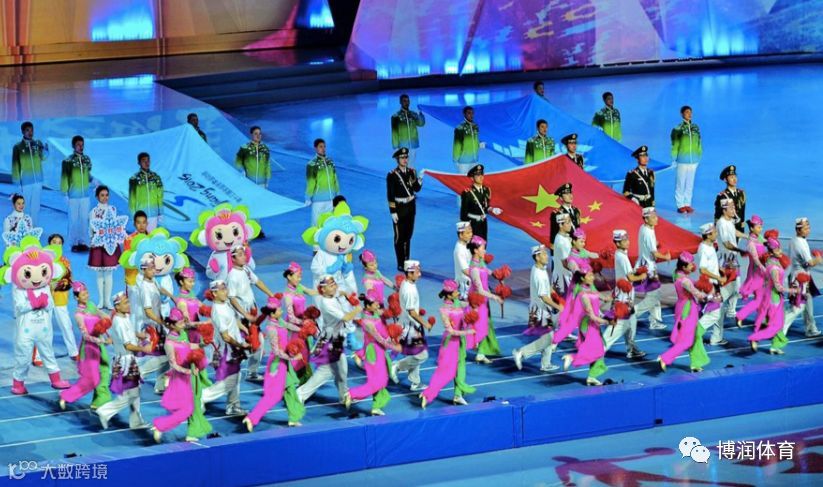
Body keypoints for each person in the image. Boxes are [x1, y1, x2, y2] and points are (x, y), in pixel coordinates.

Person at [244, 295, 306, 430]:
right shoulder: (271, 329)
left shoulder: (278, 321)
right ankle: (251, 418)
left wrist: (303, 329)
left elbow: (288, 325)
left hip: (284, 362)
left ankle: (293, 418)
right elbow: (276, 351)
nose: (282, 311)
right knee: (274, 395)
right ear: (272, 313)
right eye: (279, 309)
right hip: (277, 365)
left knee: (290, 389)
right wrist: (293, 358)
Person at [151, 308, 212, 443]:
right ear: (172, 325)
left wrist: (204, 343)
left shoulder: (182, 334)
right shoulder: (169, 343)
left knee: (195, 405)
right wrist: (187, 372)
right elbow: (173, 365)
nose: (184, 324)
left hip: (192, 375)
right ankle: (160, 426)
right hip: (180, 379)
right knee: (187, 409)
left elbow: (190, 346)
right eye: (181, 323)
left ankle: (191, 433)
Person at [297, 275, 357, 406]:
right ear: (323, 289)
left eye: (334, 284)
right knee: (327, 371)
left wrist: (345, 294)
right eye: (331, 286)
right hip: (331, 341)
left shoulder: (331, 295)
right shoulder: (326, 303)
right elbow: (346, 317)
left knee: (341, 370)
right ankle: (300, 394)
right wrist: (358, 308)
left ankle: (344, 396)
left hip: (336, 339)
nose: (335, 287)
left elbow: (340, 292)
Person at [96, 292, 150, 430]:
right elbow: (128, 346)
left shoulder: (124, 316)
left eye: (128, 302)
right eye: (125, 303)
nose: (129, 304)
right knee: (132, 394)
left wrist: (140, 335)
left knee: (134, 392)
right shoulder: (119, 322)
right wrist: (144, 349)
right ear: (117, 306)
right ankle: (105, 411)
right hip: (126, 363)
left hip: (128, 360)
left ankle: (135, 421)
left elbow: (128, 332)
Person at [58, 282, 113, 412]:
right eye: (83, 294)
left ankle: (100, 399)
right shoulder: (78, 315)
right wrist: (102, 341)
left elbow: (104, 318)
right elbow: (86, 336)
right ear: (76, 297)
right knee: (91, 379)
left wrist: (109, 329)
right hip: (89, 349)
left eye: (87, 293)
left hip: (99, 345)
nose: (86, 296)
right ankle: (66, 396)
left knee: (104, 370)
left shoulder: (91, 305)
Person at [420, 280, 476, 407]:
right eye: (455, 292)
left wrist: (474, 303)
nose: (458, 293)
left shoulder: (458, 303)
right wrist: (468, 332)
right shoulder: (444, 310)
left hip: (460, 341)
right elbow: (450, 331)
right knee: (447, 372)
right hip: (450, 342)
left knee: (461, 368)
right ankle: (427, 394)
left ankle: (458, 395)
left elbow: (470, 305)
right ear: (449, 295)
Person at [343, 290, 400, 415]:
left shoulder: (374, 312)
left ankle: (376, 406)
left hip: (380, 350)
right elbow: (379, 339)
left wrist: (394, 309)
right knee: (378, 382)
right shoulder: (367, 322)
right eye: (375, 304)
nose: (378, 305)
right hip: (374, 352)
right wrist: (394, 345)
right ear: (368, 306)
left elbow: (386, 314)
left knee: (382, 379)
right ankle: (352, 394)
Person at [657, 252, 713, 372]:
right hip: (688, 311)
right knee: (687, 341)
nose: (693, 266)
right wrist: (711, 296)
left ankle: (696, 363)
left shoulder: (676, 274)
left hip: (681, 307)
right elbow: (698, 295)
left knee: (696, 336)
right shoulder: (685, 281)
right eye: (690, 265)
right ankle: (665, 358)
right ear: (683, 267)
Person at [226, 244, 275, 381]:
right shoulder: (232, 276)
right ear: (233, 258)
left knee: (258, 341)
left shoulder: (246, 270)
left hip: (251, 313)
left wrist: (271, 295)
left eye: (244, 254)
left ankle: (252, 373)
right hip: (241, 317)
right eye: (240, 255)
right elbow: (232, 298)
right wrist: (245, 314)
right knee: (241, 345)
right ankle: (229, 370)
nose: (244, 257)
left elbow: (258, 282)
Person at [513, 245, 564, 372]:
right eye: (544, 254)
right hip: (540, 311)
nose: (547, 256)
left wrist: (555, 294)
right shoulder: (539, 275)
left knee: (548, 337)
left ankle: (546, 364)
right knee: (548, 339)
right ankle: (522, 352)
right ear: (537, 257)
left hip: (542, 310)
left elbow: (547, 288)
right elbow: (544, 297)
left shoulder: (539, 268)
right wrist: (559, 307)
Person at [561, 263, 613, 386]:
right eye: (589, 275)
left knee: (597, 349)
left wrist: (616, 293)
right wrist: (607, 322)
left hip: (590, 323)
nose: (592, 277)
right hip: (588, 323)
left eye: (592, 275)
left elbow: (603, 297)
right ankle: (572, 357)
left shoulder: (590, 288)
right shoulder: (582, 294)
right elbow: (592, 316)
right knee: (597, 350)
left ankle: (591, 377)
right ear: (582, 278)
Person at [204, 280, 250, 416]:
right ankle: (201, 398)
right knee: (230, 381)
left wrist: (243, 328)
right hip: (226, 350)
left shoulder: (226, 303)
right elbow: (226, 337)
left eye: (226, 288)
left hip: (233, 349)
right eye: (222, 290)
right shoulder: (218, 311)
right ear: (214, 293)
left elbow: (233, 319)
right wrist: (241, 345)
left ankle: (233, 405)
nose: (226, 291)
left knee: (237, 375)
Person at [391, 260, 433, 390]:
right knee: (422, 355)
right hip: (410, 328)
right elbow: (412, 312)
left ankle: (415, 381)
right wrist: (425, 323)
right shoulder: (409, 290)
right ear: (409, 273)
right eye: (417, 272)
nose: (419, 274)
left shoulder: (406, 283)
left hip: (410, 325)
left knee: (416, 353)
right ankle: (397, 366)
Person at [749, 239, 794, 354]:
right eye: (777, 249)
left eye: (780, 248)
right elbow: (778, 287)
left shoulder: (773, 262)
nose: (780, 251)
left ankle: (774, 346)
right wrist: (793, 290)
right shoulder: (773, 267)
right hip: (774, 298)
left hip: (774, 296)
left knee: (778, 324)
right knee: (776, 325)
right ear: (771, 252)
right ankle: (755, 338)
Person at [465, 238, 503, 363]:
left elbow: (486, 270)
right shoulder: (474, 269)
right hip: (478, 301)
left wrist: (497, 274)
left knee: (484, 325)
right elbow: (480, 290)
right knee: (479, 327)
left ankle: (481, 353)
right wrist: (495, 297)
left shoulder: (480, 262)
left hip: (483, 300)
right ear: (476, 250)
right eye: (483, 248)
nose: (485, 251)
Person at [609, 230, 646, 359]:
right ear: (617, 243)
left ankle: (631, 349)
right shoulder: (622, 257)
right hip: (623, 298)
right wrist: (642, 276)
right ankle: (597, 349)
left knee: (631, 323)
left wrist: (637, 272)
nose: (628, 242)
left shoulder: (621, 254)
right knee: (618, 328)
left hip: (625, 296)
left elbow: (628, 274)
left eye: (627, 239)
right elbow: (630, 278)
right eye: (624, 240)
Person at [386, 147, 423, 270]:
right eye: (402, 158)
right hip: (400, 207)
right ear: (397, 159)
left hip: (410, 206)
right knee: (399, 237)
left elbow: (416, 189)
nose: (405, 159)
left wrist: (420, 179)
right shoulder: (392, 175)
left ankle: (407, 259)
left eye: (406, 157)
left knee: (408, 235)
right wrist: (393, 211)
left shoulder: (412, 172)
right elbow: (390, 194)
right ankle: (401, 263)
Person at [785, 217, 822, 337]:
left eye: (809, 227)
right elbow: (810, 263)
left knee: (806, 303)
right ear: (798, 230)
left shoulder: (794, 240)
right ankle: (778, 325)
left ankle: (810, 328)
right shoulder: (800, 243)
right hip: (800, 280)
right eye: (805, 228)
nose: (808, 230)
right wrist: (818, 258)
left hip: (800, 277)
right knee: (797, 307)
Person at [88, 186, 122, 310]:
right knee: (99, 274)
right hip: (98, 244)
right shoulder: (93, 211)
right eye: (102, 195)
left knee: (109, 274)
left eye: (107, 195)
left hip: (110, 244)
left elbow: (116, 226)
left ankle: (107, 301)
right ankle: (101, 300)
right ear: (97, 196)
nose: (105, 197)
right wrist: (92, 239)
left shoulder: (113, 209)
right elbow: (91, 227)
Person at [635, 207, 668, 330]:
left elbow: (649, 244)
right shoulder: (648, 232)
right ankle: (632, 314)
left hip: (646, 265)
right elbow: (654, 253)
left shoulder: (645, 228)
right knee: (652, 296)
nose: (656, 219)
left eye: (656, 216)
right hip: (649, 268)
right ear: (646, 219)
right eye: (653, 217)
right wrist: (666, 257)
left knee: (654, 294)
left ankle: (654, 320)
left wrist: (656, 243)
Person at [695, 223, 728, 346]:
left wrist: (719, 269)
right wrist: (718, 277)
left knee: (712, 310)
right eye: (714, 232)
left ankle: (714, 337)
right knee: (714, 314)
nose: (717, 234)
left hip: (713, 284)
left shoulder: (710, 246)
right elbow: (703, 269)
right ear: (708, 235)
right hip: (709, 286)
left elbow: (710, 265)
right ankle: (693, 335)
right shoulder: (704, 249)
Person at [48, 234, 79, 361]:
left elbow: (70, 278)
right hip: (45, 298)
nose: (56, 244)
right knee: (44, 328)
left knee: (66, 325)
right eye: (54, 241)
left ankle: (73, 352)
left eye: (59, 242)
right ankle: (39, 355)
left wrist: (75, 289)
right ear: (49, 244)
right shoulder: (43, 259)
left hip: (60, 297)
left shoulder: (65, 261)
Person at [11, 121, 49, 225]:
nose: (30, 132)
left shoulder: (37, 143)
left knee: (36, 206)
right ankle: (26, 227)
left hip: (38, 180)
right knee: (25, 206)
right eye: (27, 130)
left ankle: (34, 227)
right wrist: (17, 183)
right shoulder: (18, 147)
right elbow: (15, 165)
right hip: (26, 181)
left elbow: (43, 157)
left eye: (32, 130)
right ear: (23, 132)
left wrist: (46, 151)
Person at [61, 135, 94, 252]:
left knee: (84, 219)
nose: (81, 147)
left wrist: (93, 180)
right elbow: (64, 178)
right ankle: (74, 243)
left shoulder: (86, 159)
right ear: (73, 146)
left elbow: (87, 175)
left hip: (85, 196)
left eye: (82, 144)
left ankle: (83, 241)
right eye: (78, 145)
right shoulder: (68, 161)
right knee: (74, 220)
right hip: (73, 196)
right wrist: (65, 193)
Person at [715, 198, 745, 323]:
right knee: (726, 287)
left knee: (736, 286)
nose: (734, 210)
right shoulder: (721, 223)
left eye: (734, 207)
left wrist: (747, 236)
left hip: (732, 258)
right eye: (731, 208)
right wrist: (740, 250)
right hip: (726, 259)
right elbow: (726, 244)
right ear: (724, 210)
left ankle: (731, 310)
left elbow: (734, 231)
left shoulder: (729, 221)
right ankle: (715, 307)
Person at [735, 215, 768, 327]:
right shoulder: (751, 243)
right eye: (759, 227)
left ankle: (763, 318)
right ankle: (741, 315)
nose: (761, 229)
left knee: (762, 297)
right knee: (759, 298)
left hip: (760, 272)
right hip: (756, 273)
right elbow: (756, 260)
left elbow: (766, 242)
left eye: (761, 227)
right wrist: (765, 270)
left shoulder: (758, 238)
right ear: (752, 228)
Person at [671, 105, 702, 213]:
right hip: (682, 160)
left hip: (694, 160)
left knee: (690, 183)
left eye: (690, 112)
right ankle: (680, 204)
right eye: (687, 112)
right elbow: (674, 144)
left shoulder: (695, 127)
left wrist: (699, 156)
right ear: (682, 114)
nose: (689, 114)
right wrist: (674, 158)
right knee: (680, 183)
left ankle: (687, 203)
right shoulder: (677, 128)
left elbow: (699, 142)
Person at [460, 164, 501, 242]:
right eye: (478, 175)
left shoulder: (487, 190)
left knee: (484, 244)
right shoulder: (468, 193)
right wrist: (464, 229)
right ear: (472, 178)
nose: (481, 177)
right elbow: (463, 213)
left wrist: (492, 209)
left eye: (482, 174)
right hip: (472, 223)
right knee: (473, 245)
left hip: (483, 222)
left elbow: (484, 206)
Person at [305, 138, 340, 227]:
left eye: (324, 146)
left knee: (329, 223)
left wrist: (338, 193)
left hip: (331, 199)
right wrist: (308, 197)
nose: (323, 149)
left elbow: (335, 178)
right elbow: (311, 182)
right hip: (318, 201)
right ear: (315, 148)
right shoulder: (311, 164)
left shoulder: (330, 162)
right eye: (320, 147)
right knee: (316, 224)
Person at [124, 211, 149, 329]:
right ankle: (134, 334)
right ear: (134, 224)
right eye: (139, 223)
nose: (141, 225)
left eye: (144, 222)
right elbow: (127, 261)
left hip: (148, 281)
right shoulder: (129, 240)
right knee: (134, 310)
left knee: (147, 308)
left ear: (147, 223)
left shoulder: (151, 239)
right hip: (133, 281)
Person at [128, 152, 164, 232]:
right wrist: (133, 215)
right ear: (139, 163)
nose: (146, 163)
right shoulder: (134, 179)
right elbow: (132, 198)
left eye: (148, 160)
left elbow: (160, 196)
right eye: (144, 161)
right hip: (140, 214)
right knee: (141, 237)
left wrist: (160, 212)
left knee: (151, 236)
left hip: (153, 214)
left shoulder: (156, 177)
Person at [391, 94, 426, 166]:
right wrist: (395, 147)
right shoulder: (395, 116)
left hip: (413, 144)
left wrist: (421, 115)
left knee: (411, 164)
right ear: (400, 102)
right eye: (404, 101)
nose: (406, 103)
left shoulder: (413, 114)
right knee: (403, 165)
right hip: (402, 144)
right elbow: (394, 132)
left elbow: (421, 124)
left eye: (408, 101)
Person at [713, 165, 746, 233]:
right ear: (725, 180)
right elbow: (718, 215)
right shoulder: (723, 196)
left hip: (739, 228)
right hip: (728, 228)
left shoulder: (741, 193)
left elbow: (742, 211)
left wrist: (742, 224)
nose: (734, 179)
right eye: (731, 177)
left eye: (735, 176)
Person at [453, 106, 481, 175]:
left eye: (472, 113)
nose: (471, 115)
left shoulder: (475, 126)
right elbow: (457, 145)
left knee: (473, 179)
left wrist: (479, 145)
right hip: (463, 161)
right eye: (469, 113)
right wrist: (455, 160)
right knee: (463, 180)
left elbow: (475, 140)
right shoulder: (460, 128)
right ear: (464, 114)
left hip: (474, 160)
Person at [551, 213, 574, 295]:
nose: (571, 224)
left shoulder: (563, 237)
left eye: (570, 222)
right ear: (561, 225)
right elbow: (565, 263)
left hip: (563, 276)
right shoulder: (561, 242)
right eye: (568, 223)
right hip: (564, 279)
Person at [453, 221, 473, 298]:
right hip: (464, 287)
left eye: (471, 232)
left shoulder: (466, 245)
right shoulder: (459, 250)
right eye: (468, 233)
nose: (471, 235)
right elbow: (466, 270)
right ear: (461, 235)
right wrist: (479, 276)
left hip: (468, 283)